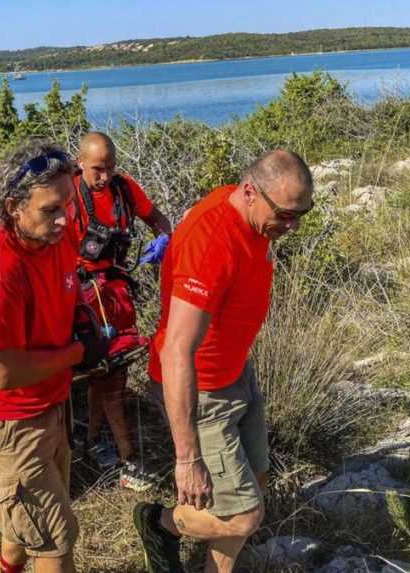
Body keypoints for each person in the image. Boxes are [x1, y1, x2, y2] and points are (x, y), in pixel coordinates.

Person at [133, 150, 314, 573]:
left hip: (236, 371)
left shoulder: (253, 217)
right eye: (285, 215)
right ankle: (159, 523)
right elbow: (176, 349)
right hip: (204, 389)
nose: (291, 227)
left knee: (255, 486)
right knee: (244, 514)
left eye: (301, 215)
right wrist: (187, 458)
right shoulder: (211, 241)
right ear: (250, 191)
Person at [0, 140, 108, 573]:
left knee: (24, 526)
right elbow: (5, 373)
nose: (65, 218)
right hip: (10, 418)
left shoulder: (56, 236)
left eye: (67, 204)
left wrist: (83, 319)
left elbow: (68, 288)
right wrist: (79, 353)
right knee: (54, 543)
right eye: (50, 209)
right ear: (14, 207)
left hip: (50, 402)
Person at [72, 131, 172, 491]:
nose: (105, 176)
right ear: (80, 161)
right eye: (98, 169)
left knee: (112, 375)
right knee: (106, 376)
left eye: (111, 167)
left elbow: (156, 217)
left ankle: (95, 440)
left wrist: (165, 238)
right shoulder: (68, 195)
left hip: (116, 292)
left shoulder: (124, 189)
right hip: (84, 296)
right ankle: (128, 455)